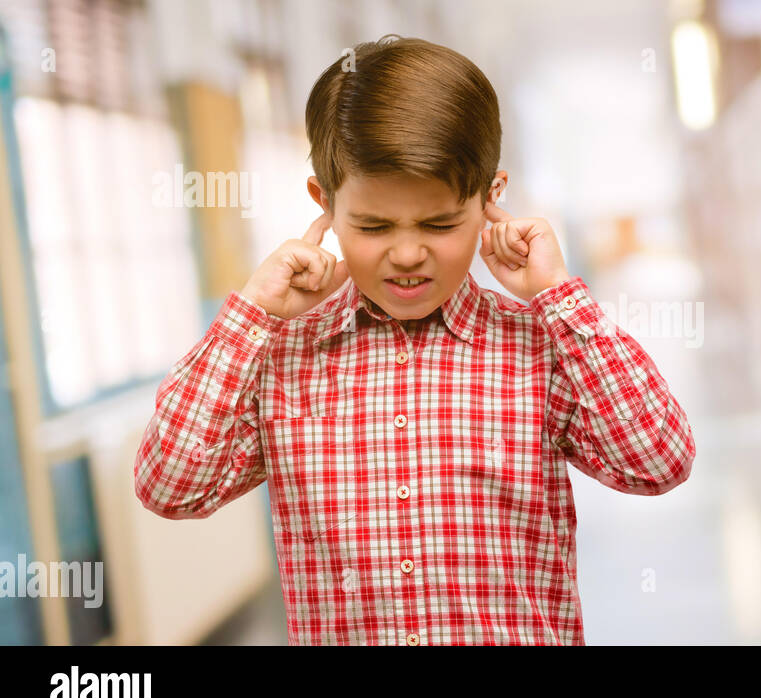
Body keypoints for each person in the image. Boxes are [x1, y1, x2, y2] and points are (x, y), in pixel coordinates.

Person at [133, 35, 695, 646]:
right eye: (373, 225)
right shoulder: (282, 359)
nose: (406, 254)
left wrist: (559, 296)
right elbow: (170, 487)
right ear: (324, 204)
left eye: (440, 223)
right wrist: (252, 315)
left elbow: (658, 462)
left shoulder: (539, 348)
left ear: (490, 199)